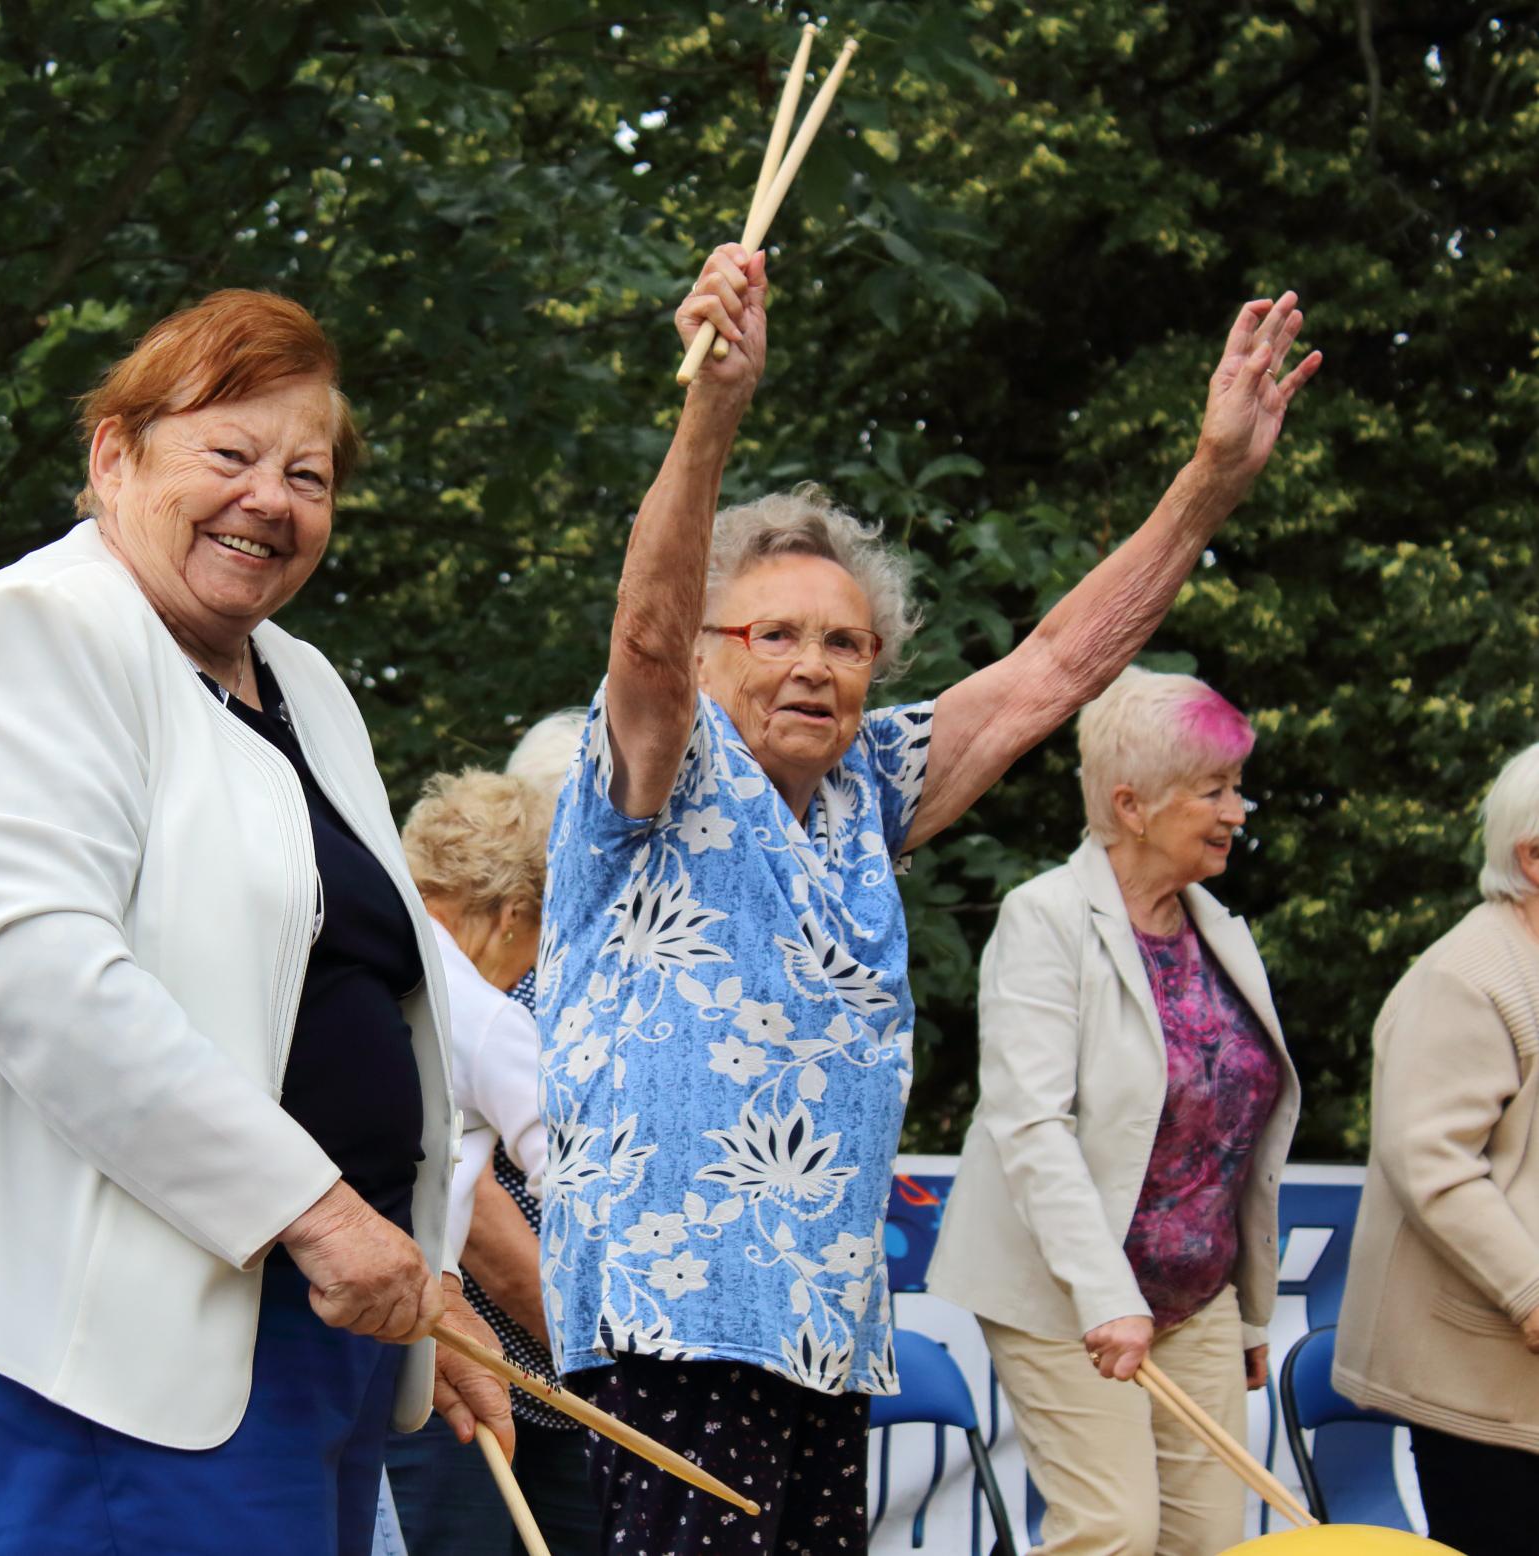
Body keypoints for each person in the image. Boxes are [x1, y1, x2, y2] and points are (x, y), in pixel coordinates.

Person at [536, 240, 1318, 1555]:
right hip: (673, 1324)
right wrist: (712, 409)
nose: (813, 666)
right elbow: (649, 635)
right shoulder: (656, 768)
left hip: (824, 1336)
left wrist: (1207, 487)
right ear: (717, 651)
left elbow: (1059, 662)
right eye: (772, 635)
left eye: (845, 643)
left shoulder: (871, 785)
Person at [0, 289, 509, 1556]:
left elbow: (354, 994)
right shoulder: (35, 633)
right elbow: (41, 977)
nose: (271, 498)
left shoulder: (304, 679)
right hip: (101, 1341)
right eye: (228, 454)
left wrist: (421, 1278)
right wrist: (320, 1212)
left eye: (306, 473)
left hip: (314, 1321)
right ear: (113, 455)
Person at [926, 667, 1301, 1556]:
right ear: (1131, 806)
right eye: (1213, 790)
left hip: (1195, 1300)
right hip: (1066, 1297)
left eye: (1235, 787)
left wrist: (1247, 1316)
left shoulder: (1219, 929)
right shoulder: (1043, 920)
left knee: (1209, 1543)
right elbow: (1028, 1124)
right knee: (1113, 1534)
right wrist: (1106, 1300)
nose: (1236, 811)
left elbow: (1229, 1147)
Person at [1334, 740, 1539, 1556]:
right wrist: (1530, 1293)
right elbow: (1432, 1163)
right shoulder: (1468, 974)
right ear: (1533, 855)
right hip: (1482, 1384)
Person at [385, 769, 595, 1556]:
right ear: (514, 915)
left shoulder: (358, 955)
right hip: (429, 1349)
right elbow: (575, 1180)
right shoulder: (485, 1015)